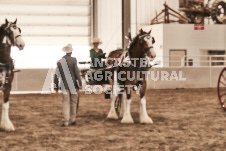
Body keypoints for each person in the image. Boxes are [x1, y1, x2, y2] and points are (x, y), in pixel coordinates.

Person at [54, 44, 82, 127]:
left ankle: (65, 121)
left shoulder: (59, 62)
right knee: (73, 102)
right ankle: (72, 119)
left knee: (66, 103)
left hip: (64, 85)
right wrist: (80, 83)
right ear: (71, 51)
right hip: (73, 85)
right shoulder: (73, 60)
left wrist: (55, 86)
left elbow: (56, 75)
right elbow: (77, 73)